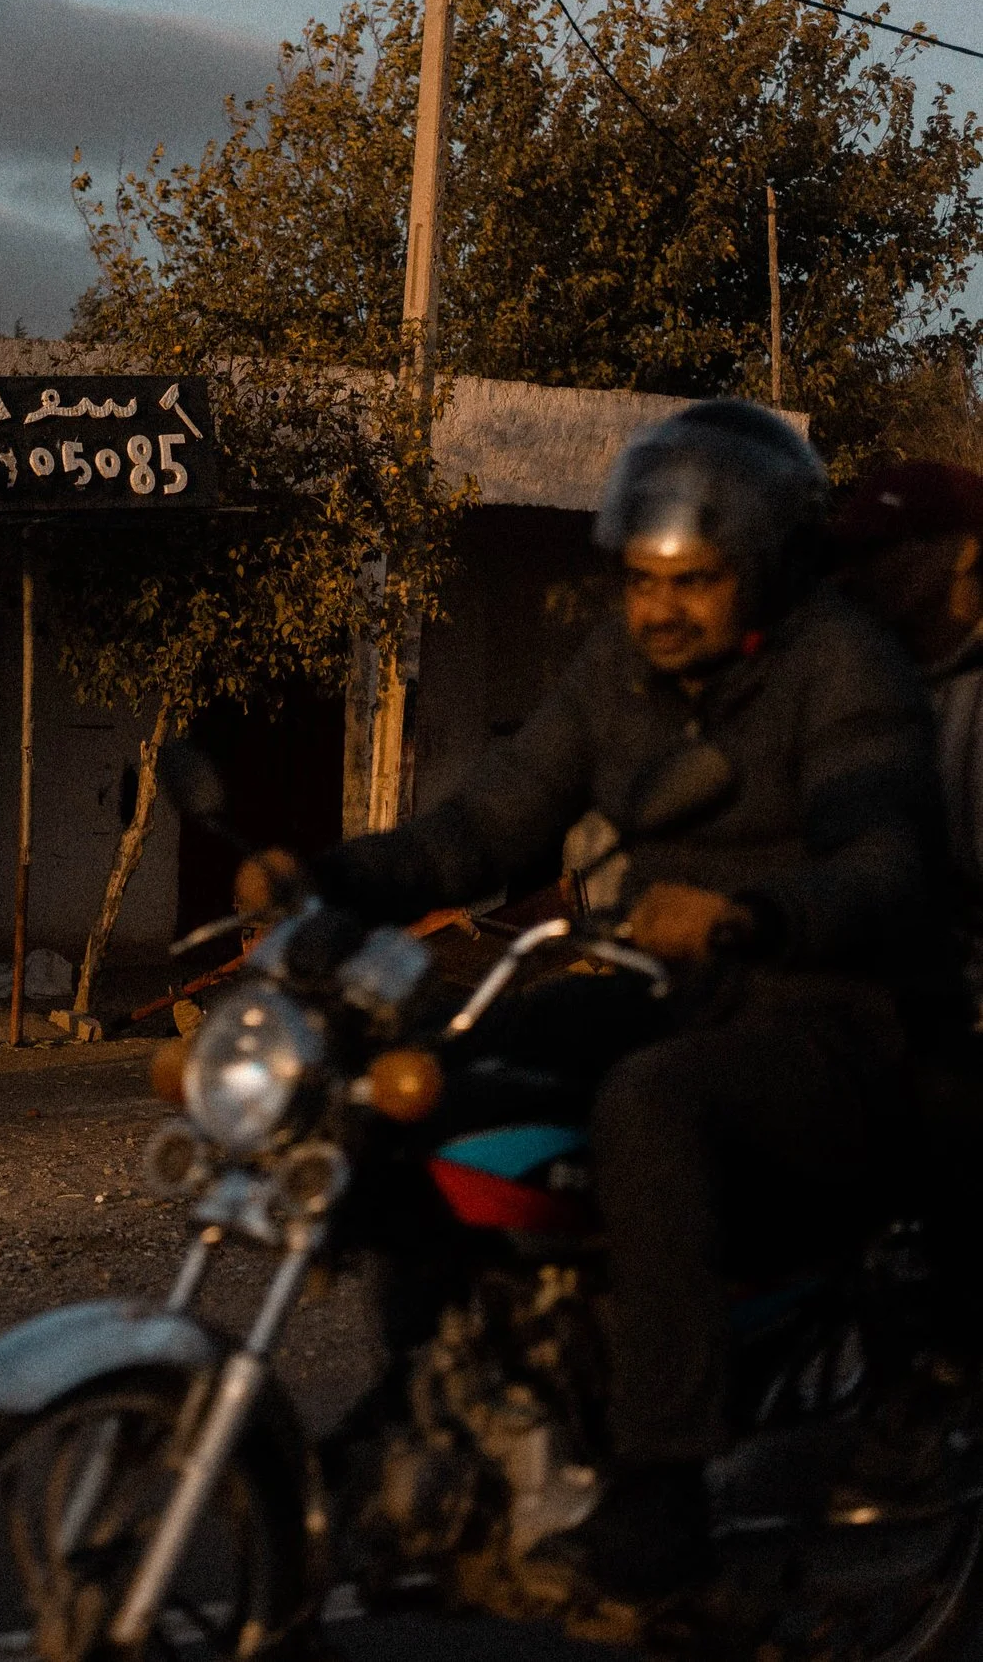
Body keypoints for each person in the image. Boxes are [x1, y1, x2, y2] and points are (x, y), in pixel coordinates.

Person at [240, 401, 953, 1599]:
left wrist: (750, 914)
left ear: (767, 569)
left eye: (696, 581)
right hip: (664, 987)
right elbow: (489, 820)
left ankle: (662, 1479)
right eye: (640, 579)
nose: (660, 608)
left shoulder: (843, 667)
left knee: (649, 1102)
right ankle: (431, 1386)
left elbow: (880, 858)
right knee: (435, 1067)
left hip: (825, 1016)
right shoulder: (617, 672)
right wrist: (328, 877)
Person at [833, 460, 983, 1015]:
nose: (868, 568)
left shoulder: (973, 705)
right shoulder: (866, 687)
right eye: (859, 550)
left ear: (966, 551)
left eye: (892, 545)